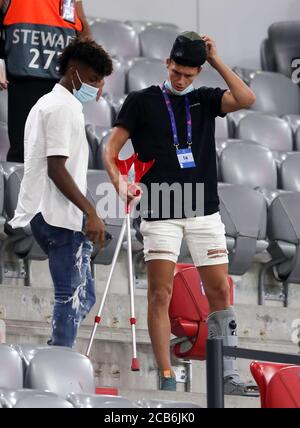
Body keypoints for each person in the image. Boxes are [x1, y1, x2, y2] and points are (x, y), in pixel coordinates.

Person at [104, 31, 258, 394]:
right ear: (167, 63)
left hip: (204, 211)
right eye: (177, 72)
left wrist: (216, 59)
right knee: (160, 293)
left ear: (198, 73)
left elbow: (246, 97)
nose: (181, 80)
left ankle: (227, 373)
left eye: (189, 75)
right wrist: (119, 183)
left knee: (220, 290)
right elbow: (110, 150)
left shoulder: (205, 99)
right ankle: (167, 374)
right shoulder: (141, 101)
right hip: (161, 210)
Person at [9, 38, 113, 348]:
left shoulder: (56, 104)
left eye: (101, 81)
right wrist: (90, 212)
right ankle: (58, 365)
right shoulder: (60, 108)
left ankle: (55, 351)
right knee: (69, 299)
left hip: (58, 211)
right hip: (55, 214)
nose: (98, 88)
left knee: (85, 296)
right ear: (73, 72)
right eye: (93, 79)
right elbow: (56, 169)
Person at [0, 0, 92, 163]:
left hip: (61, 85)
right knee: (24, 151)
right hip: (24, 81)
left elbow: (82, 29)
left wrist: (94, 68)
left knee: (60, 155)